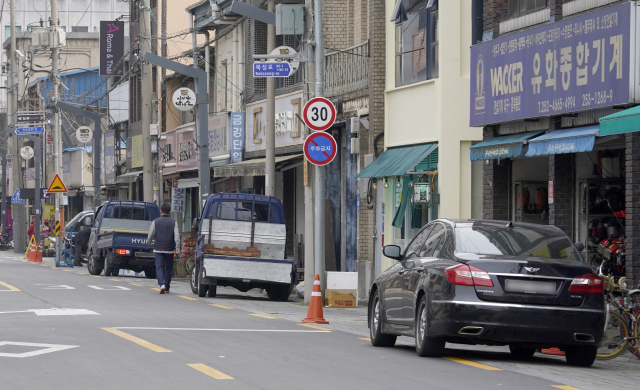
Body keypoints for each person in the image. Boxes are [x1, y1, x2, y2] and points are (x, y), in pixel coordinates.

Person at [147, 203, 180, 294]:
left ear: (160, 211)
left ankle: (162, 284)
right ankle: (167, 287)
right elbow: (176, 236)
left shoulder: (155, 221)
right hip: (170, 248)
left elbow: (151, 233)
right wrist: (177, 247)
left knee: (159, 267)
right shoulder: (174, 222)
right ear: (170, 212)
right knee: (168, 268)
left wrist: (149, 241)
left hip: (158, 248)